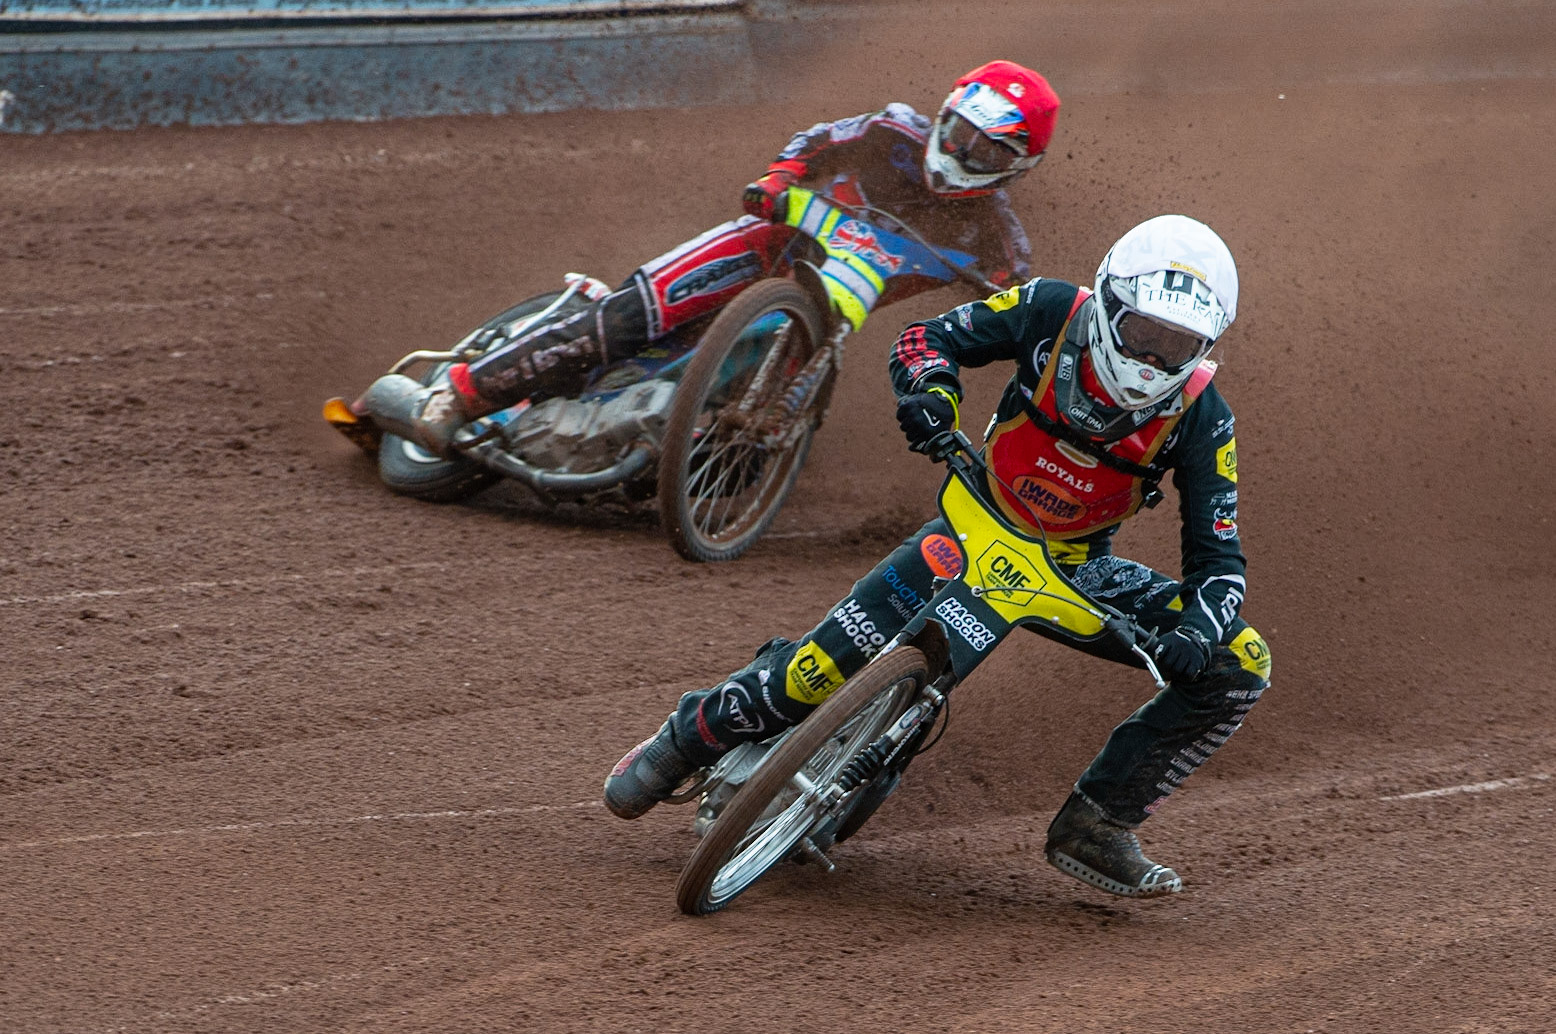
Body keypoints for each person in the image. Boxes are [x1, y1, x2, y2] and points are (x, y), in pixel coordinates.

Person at [603, 214, 1273, 898]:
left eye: (1178, 345)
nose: (1153, 360)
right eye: (1144, 335)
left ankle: (1098, 824)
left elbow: (1219, 561)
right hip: (972, 518)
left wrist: (1198, 629)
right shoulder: (1050, 309)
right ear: (1106, 302)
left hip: (1076, 570)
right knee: (805, 676)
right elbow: (928, 339)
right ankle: (691, 735)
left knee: (1241, 661)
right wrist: (932, 393)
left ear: (1206, 344)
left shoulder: (1204, 414)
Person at [347, 60, 1061, 455]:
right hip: (762, 249)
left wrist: (998, 342)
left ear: (1017, 166)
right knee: (620, 324)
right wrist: (779, 179)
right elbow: (811, 141)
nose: (964, 154)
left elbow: (1010, 311)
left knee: (763, 442)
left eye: (988, 150)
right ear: (943, 116)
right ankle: (457, 394)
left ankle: (687, 463)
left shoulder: (998, 240)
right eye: (961, 133)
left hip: (827, 317)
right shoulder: (890, 130)